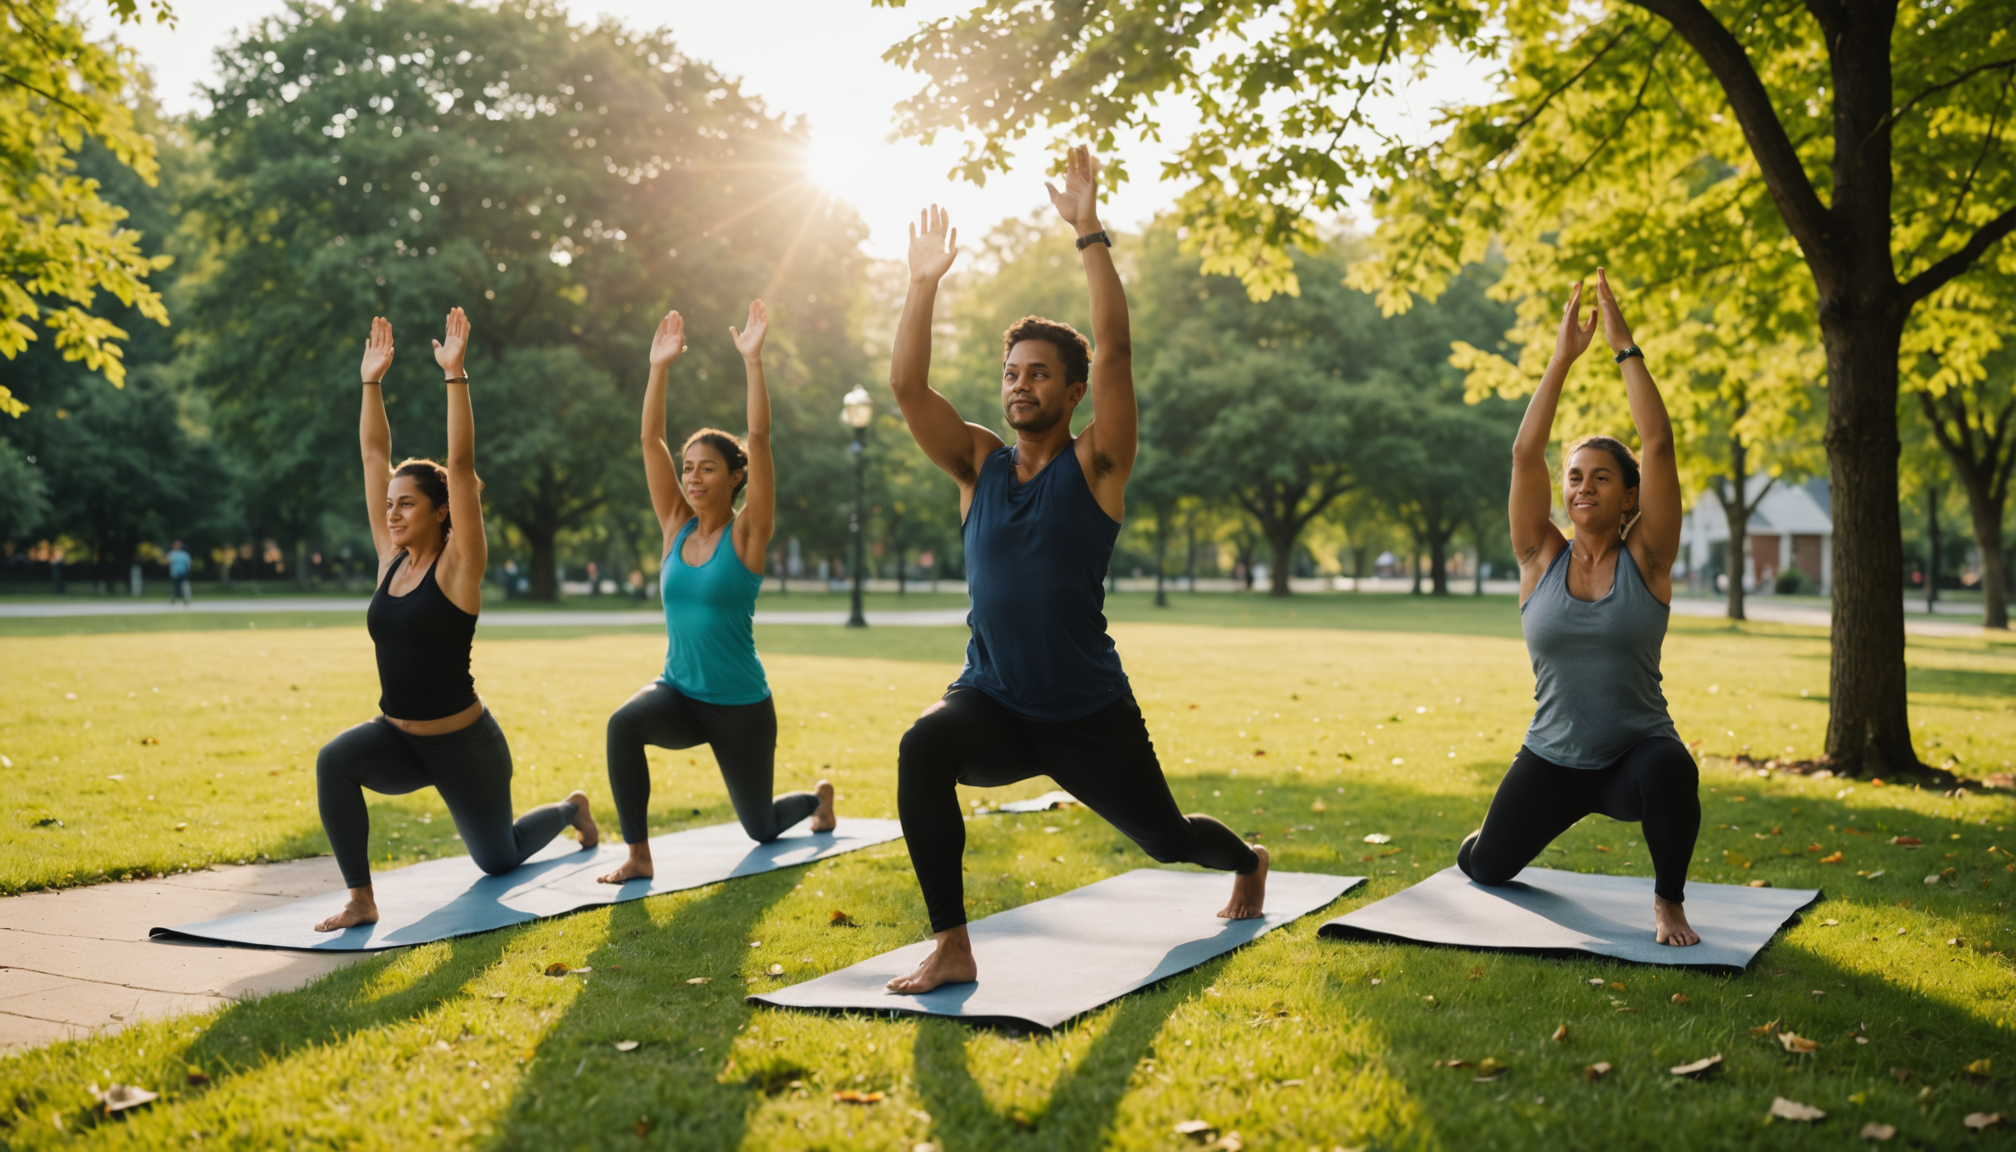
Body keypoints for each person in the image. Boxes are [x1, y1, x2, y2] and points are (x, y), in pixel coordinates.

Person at [883, 147, 1267, 994]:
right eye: (1011, 374)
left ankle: (1246, 859)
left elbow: (1120, 350)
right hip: (992, 700)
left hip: (1086, 712)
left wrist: (1089, 230)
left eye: (1039, 375)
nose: (1019, 387)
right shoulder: (977, 464)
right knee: (922, 748)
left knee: (1168, 839)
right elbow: (908, 387)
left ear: (1075, 390)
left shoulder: (1097, 467)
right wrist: (923, 282)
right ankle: (951, 941)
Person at [313, 309, 599, 932]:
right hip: (399, 738)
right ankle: (361, 898)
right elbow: (372, 454)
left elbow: (462, 467)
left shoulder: (459, 567)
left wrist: (455, 376)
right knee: (334, 760)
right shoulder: (391, 560)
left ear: (441, 512)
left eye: (406, 504)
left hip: (465, 747)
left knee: (498, 861)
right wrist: (370, 383)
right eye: (389, 504)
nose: (390, 513)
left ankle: (569, 809)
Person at [1455, 269, 1701, 946]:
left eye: (1602, 478)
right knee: (1484, 867)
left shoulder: (1648, 558)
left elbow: (1658, 446)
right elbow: (1523, 452)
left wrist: (1624, 349)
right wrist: (1561, 358)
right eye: (1575, 477)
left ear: (1629, 497)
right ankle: (1494, 833)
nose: (1583, 487)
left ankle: (1669, 900)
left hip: (1631, 760)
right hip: (1553, 760)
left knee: (1671, 767)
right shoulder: (1540, 556)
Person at [596, 300, 836, 885]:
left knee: (759, 826)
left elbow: (758, 434)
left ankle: (817, 801)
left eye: (707, 468)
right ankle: (638, 854)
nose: (693, 477)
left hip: (739, 705)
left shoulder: (749, 533)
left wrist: (752, 362)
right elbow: (650, 439)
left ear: (735, 476)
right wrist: (659, 368)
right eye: (689, 467)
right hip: (678, 692)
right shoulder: (675, 528)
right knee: (622, 725)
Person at [165, 540, 192, 606]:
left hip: (183, 572)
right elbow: (168, 562)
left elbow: (188, 563)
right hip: (175, 572)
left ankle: (186, 599)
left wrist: (188, 570)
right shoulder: (171, 553)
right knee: (175, 586)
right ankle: (175, 598)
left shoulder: (184, 554)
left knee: (184, 586)